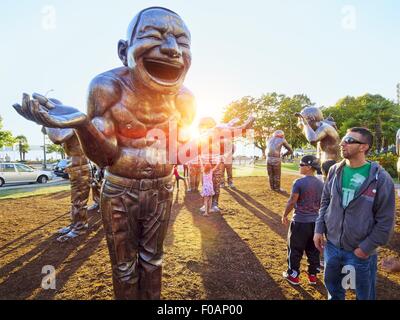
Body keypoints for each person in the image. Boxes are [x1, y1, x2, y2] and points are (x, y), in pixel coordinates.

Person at [14, 7, 196, 300]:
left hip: (162, 187)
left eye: (182, 42)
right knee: (124, 266)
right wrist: (83, 124)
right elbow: (106, 158)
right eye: (154, 36)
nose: (173, 50)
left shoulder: (185, 99)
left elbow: (180, 150)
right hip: (120, 189)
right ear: (124, 51)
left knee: (153, 260)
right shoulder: (107, 88)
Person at [314, 127, 396, 300]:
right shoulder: (335, 170)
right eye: (343, 139)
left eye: (350, 140)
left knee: (363, 295)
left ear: (363, 147)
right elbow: (325, 202)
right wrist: (318, 229)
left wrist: (365, 248)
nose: (342, 143)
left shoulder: (381, 178)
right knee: (334, 291)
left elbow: (386, 221)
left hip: (360, 252)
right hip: (332, 247)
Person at [43, 125, 91, 242]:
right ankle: (75, 225)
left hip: (80, 168)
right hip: (75, 168)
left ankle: (79, 228)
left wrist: (45, 120)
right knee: (75, 201)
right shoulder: (64, 128)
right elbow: (46, 132)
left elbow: (57, 138)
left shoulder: (71, 125)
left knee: (79, 201)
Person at [282, 155, 324, 285]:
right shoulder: (321, 183)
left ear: (309, 167)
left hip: (300, 222)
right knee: (313, 249)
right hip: (315, 223)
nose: (299, 166)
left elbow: (292, 201)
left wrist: (284, 214)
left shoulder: (299, 182)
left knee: (295, 249)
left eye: (301, 164)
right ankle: (313, 275)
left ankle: (293, 275)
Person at [296, 107, 340, 179]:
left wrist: (306, 124)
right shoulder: (321, 128)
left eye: (302, 120)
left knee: (328, 184)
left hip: (330, 163)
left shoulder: (325, 127)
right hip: (325, 161)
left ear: (312, 118)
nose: (300, 123)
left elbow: (312, 139)